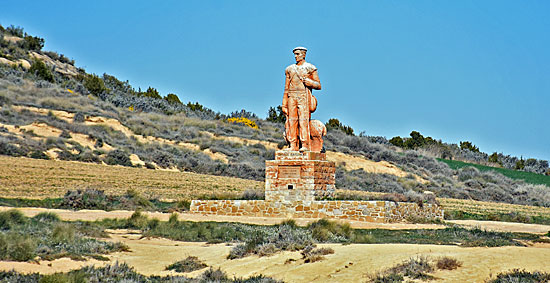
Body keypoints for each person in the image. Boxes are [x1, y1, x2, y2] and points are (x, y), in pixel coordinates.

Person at [282, 47, 321, 151]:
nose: (296, 56)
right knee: (292, 120)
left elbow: (319, 85)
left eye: (298, 54)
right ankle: (292, 145)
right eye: (295, 54)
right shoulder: (289, 69)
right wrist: (284, 104)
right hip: (291, 96)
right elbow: (286, 87)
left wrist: (310, 83)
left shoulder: (310, 68)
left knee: (303, 120)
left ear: (303, 55)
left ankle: (304, 144)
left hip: (303, 96)